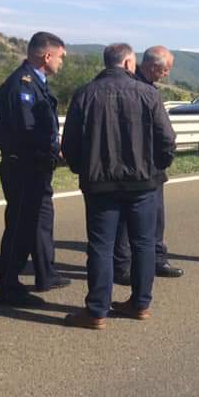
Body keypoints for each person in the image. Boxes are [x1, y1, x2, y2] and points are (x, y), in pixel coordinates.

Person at [62, 44, 176, 329]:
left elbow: (70, 144)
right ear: (127, 63)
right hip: (144, 183)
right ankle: (140, 303)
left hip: (100, 184)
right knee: (144, 243)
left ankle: (97, 310)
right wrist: (156, 167)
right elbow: (167, 140)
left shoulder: (85, 93)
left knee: (101, 246)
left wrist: (83, 169)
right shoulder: (149, 93)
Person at [0, 32, 69, 307]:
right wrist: (54, 149)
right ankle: (8, 287)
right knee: (20, 226)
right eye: (61, 56)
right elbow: (28, 132)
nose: (62, 62)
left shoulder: (38, 83)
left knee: (41, 220)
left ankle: (46, 274)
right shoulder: (21, 85)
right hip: (23, 166)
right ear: (47, 56)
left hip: (38, 166)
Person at [113, 46, 184, 285]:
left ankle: (157, 259)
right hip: (132, 166)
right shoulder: (131, 87)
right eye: (165, 70)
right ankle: (122, 266)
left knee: (156, 215)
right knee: (125, 219)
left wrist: (161, 161)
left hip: (152, 166)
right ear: (154, 67)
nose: (167, 75)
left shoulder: (149, 89)